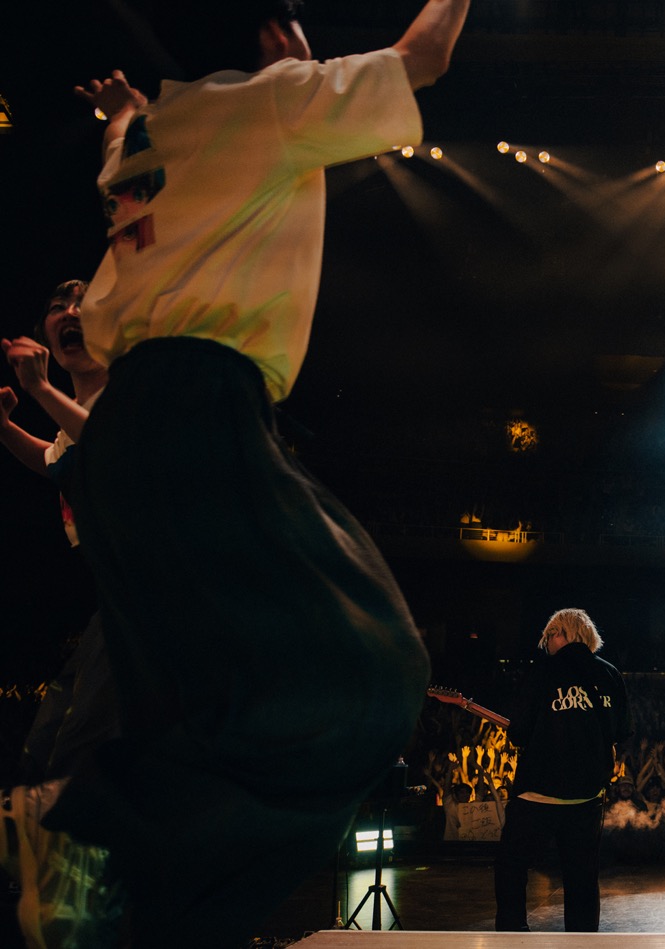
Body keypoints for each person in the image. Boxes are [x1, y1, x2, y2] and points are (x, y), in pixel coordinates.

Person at [38, 2, 475, 946]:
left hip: (126, 435)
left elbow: (127, 137)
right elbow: (426, 55)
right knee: (379, 670)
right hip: (201, 412)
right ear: (278, 39)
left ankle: (107, 891)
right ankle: (75, 836)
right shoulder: (270, 100)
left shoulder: (147, 132)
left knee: (183, 708)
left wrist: (123, 108)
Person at [2, 280, 126, 947]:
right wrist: (4, 427)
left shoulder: (128, 398)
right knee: (44, 752)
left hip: (156, 597)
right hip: (113, 602)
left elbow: (108, 444)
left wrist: (41, 388)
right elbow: (53, 459)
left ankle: (90, 899)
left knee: (79, 751)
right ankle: (65, 894)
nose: (70, 312)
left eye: (85, 302)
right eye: (58, 305)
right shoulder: (69, 422)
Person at [495, 609, 631, 932]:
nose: (546, 645)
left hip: (538, 793)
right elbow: (622, 731)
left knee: (511, 865)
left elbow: (519, 733)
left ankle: (513, 935)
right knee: (582, 876)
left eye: (548, 637)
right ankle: (582, 941)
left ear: (561, 634)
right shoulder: (609, 674)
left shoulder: (542, 671)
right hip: (587, 797)